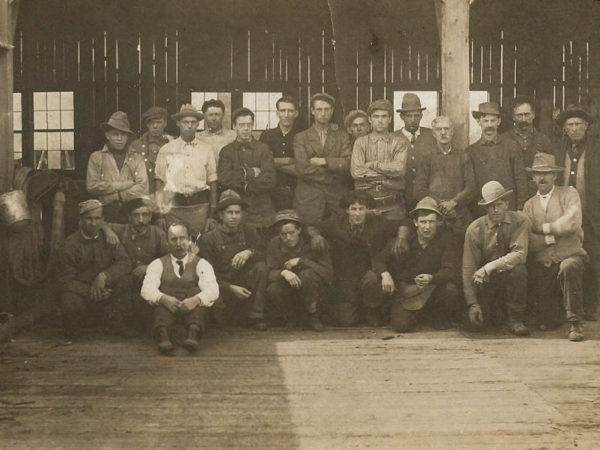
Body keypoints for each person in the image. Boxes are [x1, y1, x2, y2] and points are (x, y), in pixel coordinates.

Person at [523, 153, 587, 341]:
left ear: (555, 176)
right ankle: (552, 315)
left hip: (570, 255)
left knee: (569, 267)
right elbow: (530, 241)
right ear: (533, 177)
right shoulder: (529, 205)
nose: (542, 178)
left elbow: (572, 224)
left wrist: (543, 229)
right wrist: (553, 238)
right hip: (544, 263)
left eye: (547, 173)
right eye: (537, 174)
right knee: (545, 322)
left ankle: (576, 324)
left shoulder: (569, 194)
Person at [319, 190, 407, 326]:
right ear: (347, 210)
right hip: (346, 276)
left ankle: (372, 311)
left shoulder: (379, 223)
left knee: (371, 280)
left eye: (361, 209)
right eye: (353, 209)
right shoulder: (336, 223)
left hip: (370, 271)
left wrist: (401, 237)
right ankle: (355, 310)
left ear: (367, 210)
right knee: (346, 321)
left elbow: (404, 222)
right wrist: (315, 236)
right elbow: (313, 227)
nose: (358, 213)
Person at [374, 197, 461, 332]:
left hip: (432, 291)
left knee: (450, 290)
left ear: (438, 223)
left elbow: (450, 270)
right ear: (415, 223)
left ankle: (434, 316)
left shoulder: (445, 240)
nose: (427, 227)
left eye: (431, 222)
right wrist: (385, 275)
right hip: (407, 293)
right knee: (401, 326)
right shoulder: (404, 240)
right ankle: (417, 316)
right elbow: (378, 260)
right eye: (423, 222)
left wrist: (432, 278)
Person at [56, 200, 133, 339]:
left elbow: (125, 262)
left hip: (108, 290)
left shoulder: (110, 238)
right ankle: (76, 330)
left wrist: (104, 276)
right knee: (70, 303)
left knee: (128, 281)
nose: (93, 223)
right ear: (80, 221)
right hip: (82, 292)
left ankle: (114, 322)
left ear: (103, 220)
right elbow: (64, 280)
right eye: (89, 219)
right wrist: (92, 290)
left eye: (97, 218)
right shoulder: (70, 244)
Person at [463, 181, 530, 336]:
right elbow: (468, 267)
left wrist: (488, 267)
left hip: (509, 275)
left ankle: (516, 318)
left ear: (507, 203)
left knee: (519, 271)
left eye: (499, 204)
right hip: (488, 281)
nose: (495, 210)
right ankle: (494, 312)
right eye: (490, 206)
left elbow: (520, 254)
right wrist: (472, 303)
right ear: (486, 208)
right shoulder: (475, 229)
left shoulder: (520, 221)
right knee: (478, 323)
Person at [141, 223, 219, 354]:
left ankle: (193, 335)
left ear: (189, 240)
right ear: (167, 243)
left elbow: (212, 289)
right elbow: (147, 288)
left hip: (192, 307)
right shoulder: (157, 264)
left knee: (198, 295)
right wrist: (163, 298)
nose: (178, 243)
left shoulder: (201, 263)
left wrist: (196, 300)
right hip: (168, 307)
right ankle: (163, 335)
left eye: (182, 238)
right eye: (173, 239)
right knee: (161, 297)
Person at [199, 190, 270, 331]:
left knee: (261, 267)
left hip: (244, 285)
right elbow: (206, 275)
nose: (234, 217)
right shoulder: (208, 239)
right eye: (229, 213)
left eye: (237, 212)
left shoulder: (248, 231)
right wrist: (230, 288)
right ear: (220, 215)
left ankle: (256, 315)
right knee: (221, 323)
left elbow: (263, 253)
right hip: (222, 288)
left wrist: (249, 252)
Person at [554, 104, 600, 320]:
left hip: (590, 217)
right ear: (564, 128)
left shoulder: (596, 150)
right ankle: (565, 308)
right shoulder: (558, 150)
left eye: (578, 124)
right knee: (565, 260)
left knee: (591, 259)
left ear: (586, 127)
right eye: (570, 125)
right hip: (563, 217)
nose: (574, 128)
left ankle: (590, 307)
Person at [102, 197, 168, 330]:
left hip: (149, 279)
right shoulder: (121, 230)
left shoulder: (159, 234)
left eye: (145, 215)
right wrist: (107, 230)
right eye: (136, 215)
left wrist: (148, 267)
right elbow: (100, 223)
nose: (141, 220)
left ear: (150, 217)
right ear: (128, 217)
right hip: (125, 279)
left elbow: (167, 259)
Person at [154, 104, 218, 240]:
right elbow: (159, 182)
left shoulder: (206, 149)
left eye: (193, 122)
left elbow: (212, 182)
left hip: (199, 208)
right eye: (185, 122)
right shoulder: (166, 149)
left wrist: (211, 215)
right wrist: (160, 214)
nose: (189, 126)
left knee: (198, 245)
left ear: (197, 124)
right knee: (176, 244)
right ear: (178, 123)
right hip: (173, 209)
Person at [266, 210, 333, 331]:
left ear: (299, 230)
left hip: (314, 291)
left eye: (291, 232)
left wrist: (302, 261)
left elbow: (328, 273)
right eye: (283, 234)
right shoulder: (274, 244)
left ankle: (313, 315)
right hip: (289, 290)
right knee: (273, 289)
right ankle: (291, 316)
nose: (288, 238)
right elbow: (269, 273)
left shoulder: (314, 243)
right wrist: (284, 272)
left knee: (307, 275)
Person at [414, 115, 476, 244]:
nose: (443, 133)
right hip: (435, 217)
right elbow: (420, 189)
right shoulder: (427, 158)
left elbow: (471, 187)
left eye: (447, 129)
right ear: (433, 133)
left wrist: (453, 203)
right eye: (439, 129)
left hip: (459, 216)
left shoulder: (463, 156)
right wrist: (441, 206)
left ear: (452, 132)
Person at [293, 93, 352, 225]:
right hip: (309, 198)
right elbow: (302, 168)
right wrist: (332, 174)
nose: (323, 113)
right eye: (319, 109)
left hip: (336, 196)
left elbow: (348, 162)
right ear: (312, 111)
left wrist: (325, 161)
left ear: (332, 111)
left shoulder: (342, 136)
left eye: (326, 109)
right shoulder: (300, 137)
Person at [218, 107, 277, 232]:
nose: (246, 128)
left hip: (261, 209)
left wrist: (245, 186)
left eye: (249, 124)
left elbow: (270, 178)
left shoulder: (263, 149)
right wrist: (249, 172)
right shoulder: (227, 151)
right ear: (234, 126)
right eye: (241, 125)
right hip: (236, 209)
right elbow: (224, 178)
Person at [350, 99, 410, 220]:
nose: (380, 120)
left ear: (390, 119)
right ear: (370, 120)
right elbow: (357, 172)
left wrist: (372, 165)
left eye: (384, 116)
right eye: (376, 116)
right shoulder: (360, 143)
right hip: (366, 205)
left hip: (393, 205)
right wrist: (387, 177)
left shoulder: (400, 142)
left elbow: (399, 169)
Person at [86, 111, 149, 223]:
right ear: (107, 135)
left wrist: (118, 196)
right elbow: (92, 186)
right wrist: (124, 185)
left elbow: (143, 187)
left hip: (132, 213)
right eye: (115, 134)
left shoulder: (137, 158)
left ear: (128, 137)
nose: (119, 138)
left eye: (123, 135)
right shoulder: (96, 157)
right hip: (105, 213)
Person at [467, 102, 528, 212]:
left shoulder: (512, 146)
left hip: (508, 207)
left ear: (499, 122)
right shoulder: (471, 151)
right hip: (482, 209)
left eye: (493, 120)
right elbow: (469, 185)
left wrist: (520, 207)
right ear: (478, 122)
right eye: (485, 121)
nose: (489, 125)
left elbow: (520, 179)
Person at [501, 97, 554, 197]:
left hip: (537, 193)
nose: (523, 119)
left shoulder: (544, 140)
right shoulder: (504, 139)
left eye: (527, 114)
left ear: (533, 115)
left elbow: (550, 172)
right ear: (513, 117)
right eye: (519, 115)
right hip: (511, 193)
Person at [392, 93, 436, 208]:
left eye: (416, 116)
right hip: (400, 199)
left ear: (421, 116)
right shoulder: (392, 138)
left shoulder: (432, 136)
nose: (413, 120)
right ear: (402, 116)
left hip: (427, 197)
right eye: (408, 116)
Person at [259, 96, 301, 211]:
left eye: (290, 111)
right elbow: (261, 163)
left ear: (296, 113)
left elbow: (302, 167)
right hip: (271, 191)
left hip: (297, 190)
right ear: (277, 113)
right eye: (283, 111)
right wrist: (288, 160)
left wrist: (274, 162)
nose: (286, 114)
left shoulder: (302, 136)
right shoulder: (267, 135)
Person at [129, 106, 174, 193]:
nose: (155, 126)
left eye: (159, 122)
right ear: (147, 125)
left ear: (165, 123)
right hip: (144, 193)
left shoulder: (173, 143)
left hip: (167, 194)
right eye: (152, 123)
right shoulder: (136, 145)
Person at [197, 99, 237, 163]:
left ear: (223, 115)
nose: (214, 118)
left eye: (217, 114)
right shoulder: (197, 138)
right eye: (210, 115)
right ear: (204, 116)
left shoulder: (233, 136)